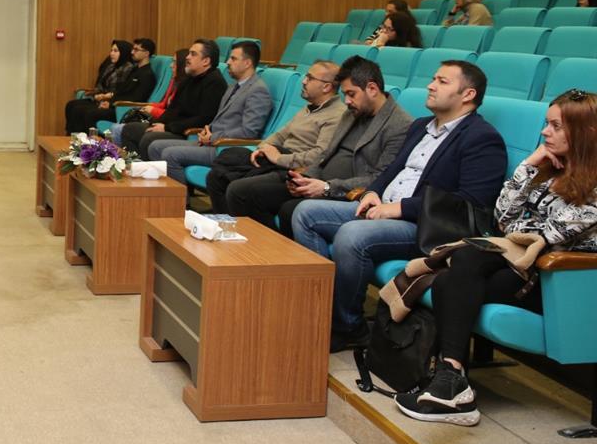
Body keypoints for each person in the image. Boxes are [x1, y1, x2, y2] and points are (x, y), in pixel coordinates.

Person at [393, 89, 597, 426]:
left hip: (557, 285)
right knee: (457, 271)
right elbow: (503, 218)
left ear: (587, 132)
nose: (545, 132)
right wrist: (528, 166)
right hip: (519, 269)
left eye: (556, 126)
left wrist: (521, 230)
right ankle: (451, 380)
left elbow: (551, 234)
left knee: (456, 273)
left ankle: (450, 384)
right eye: (546, 124)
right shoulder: (548, 169)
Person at [292, 60, 507, 351]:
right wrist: (373, 192)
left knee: (352, 235)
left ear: (468, 95)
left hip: (425, 226)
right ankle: (321, 310)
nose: (431, 86)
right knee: (305, 213)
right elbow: (393, 169)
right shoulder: (420, 126)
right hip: (384, 209)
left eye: (442, 81)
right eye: (433, 78)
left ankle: (348, 326)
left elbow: (471, 203)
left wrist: (401, 208)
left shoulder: (482, 138)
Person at [219, 56, 413, 236]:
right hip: (317, 181)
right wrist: (304, 179)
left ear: (372, 88)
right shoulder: (352, 113)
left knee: (289, 209)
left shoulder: (399, 125)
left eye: (351, 94)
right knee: (242, 192)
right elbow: (326, 154)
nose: (346, 101)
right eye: (345, 94)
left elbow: (379, 178)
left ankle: (279, 256)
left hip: (346, 193)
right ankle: (254, 253)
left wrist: (327, 187)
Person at [205, 59, 345, 216]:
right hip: (275, 161)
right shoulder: (308, 108)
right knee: (216, 176)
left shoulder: (336, 115)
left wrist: (278, 158)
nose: (304, 81)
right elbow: (280, 134)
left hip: (293, 169)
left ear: (326, 87)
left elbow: (319, 155)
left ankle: (244, 229)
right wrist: (263, 148)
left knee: (238, 189)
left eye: (310, 78)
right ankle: (223, 221)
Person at [145, 41, 273, 180]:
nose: (228, 62)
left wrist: (213, 137)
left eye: (233, 58)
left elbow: (249, 132)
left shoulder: (258, 91)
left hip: (225, 148)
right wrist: (207, 131)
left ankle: (180, 194)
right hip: (210, 142)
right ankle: (163, 191)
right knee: (155, 147)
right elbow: (220, 118)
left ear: (247, 63)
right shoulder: (234, 86)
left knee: (170, 154)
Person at [120, 39, 226, 157]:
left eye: (193, 54)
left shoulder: (215, 83)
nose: (187, 57)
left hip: (187, 132)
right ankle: (134, 163)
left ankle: (148, 168)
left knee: (149, 138)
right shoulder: (190, 78)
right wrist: (157, 123)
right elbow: (173, 108)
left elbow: (204, 119)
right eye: (189, 53)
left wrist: (167, 128)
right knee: (130, 129)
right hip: (173, 127)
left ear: (206, 61)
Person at [108, 48, 187, 148]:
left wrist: (153, 110)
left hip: (168, 124)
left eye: (174, 62)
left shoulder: (184, 86)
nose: (171, 65)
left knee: (119, 128)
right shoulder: (174, 81)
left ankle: (121, 156)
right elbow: (164, 104)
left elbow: (174, 114)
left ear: (182, 65)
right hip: (162, 120)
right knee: (116, 127)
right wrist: (149, 106)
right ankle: (119, 155)